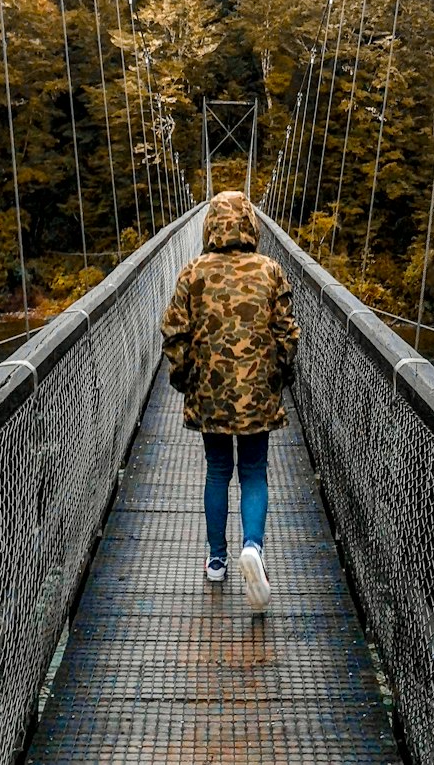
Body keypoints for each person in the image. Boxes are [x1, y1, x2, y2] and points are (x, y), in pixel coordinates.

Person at [161, 189, 299, 612]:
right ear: (250, 224)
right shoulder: (271, 271)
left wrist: (184, 379)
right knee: (255, 471)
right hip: (257, 393)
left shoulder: (192, 272)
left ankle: (217, 560)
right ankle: (253, 547)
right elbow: (288, 335)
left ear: (210, 225)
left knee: (218, 470)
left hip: (210, 394)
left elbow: (174, 334)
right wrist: (279, 377)